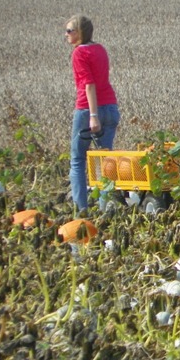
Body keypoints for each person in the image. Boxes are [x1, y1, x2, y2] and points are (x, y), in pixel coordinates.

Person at [65, 15, 119, 214]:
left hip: (88, 110)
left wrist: (93, 115)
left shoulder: (79, 53)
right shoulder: (100, 49)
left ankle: (81, 210)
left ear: (79, 32)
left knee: (78, 159)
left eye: (69, 31)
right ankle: (106, 210)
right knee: (105, 160)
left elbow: (89, 85)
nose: (66, 35)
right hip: (110, 108)